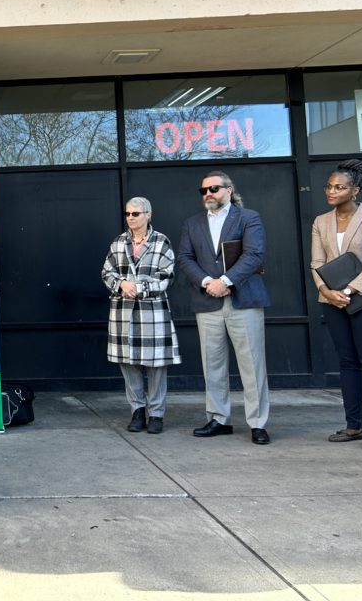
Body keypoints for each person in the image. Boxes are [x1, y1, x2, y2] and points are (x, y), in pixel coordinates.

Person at [178, 171, 272, 445]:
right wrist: (209, 282)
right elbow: (185, 258)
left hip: (244, 299)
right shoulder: (192, 223)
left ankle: (257, 423)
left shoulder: (248, 217)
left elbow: (254, 254)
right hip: (207, 300)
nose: (208, 194)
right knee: (213, 364)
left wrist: (226, 281)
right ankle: (219, 419)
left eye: (214, 188)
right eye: (204, 190)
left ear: (228, 190)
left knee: (252, 365)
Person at [310, 159, 362, 449]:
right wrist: (326, 290)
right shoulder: (321, 221)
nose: (332, 191)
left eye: (339, 187)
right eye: (329, 186)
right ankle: (352, 426)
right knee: (347, 363)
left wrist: (348, 288)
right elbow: (316, 262)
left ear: (354, 190)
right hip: (332, 301)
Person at [101, 197, 180, 434]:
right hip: (123, 311)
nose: (131, 218)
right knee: (128, 363)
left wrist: (140, 288)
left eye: (136, 214)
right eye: (127, 214)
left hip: (152, 312)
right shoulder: (118, 242)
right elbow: (106, 271)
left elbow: (167, 276)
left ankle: (156, 414)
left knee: (156, 365)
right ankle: (137, 410)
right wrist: (121, 283)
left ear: (148, 214)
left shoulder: (161, 242)